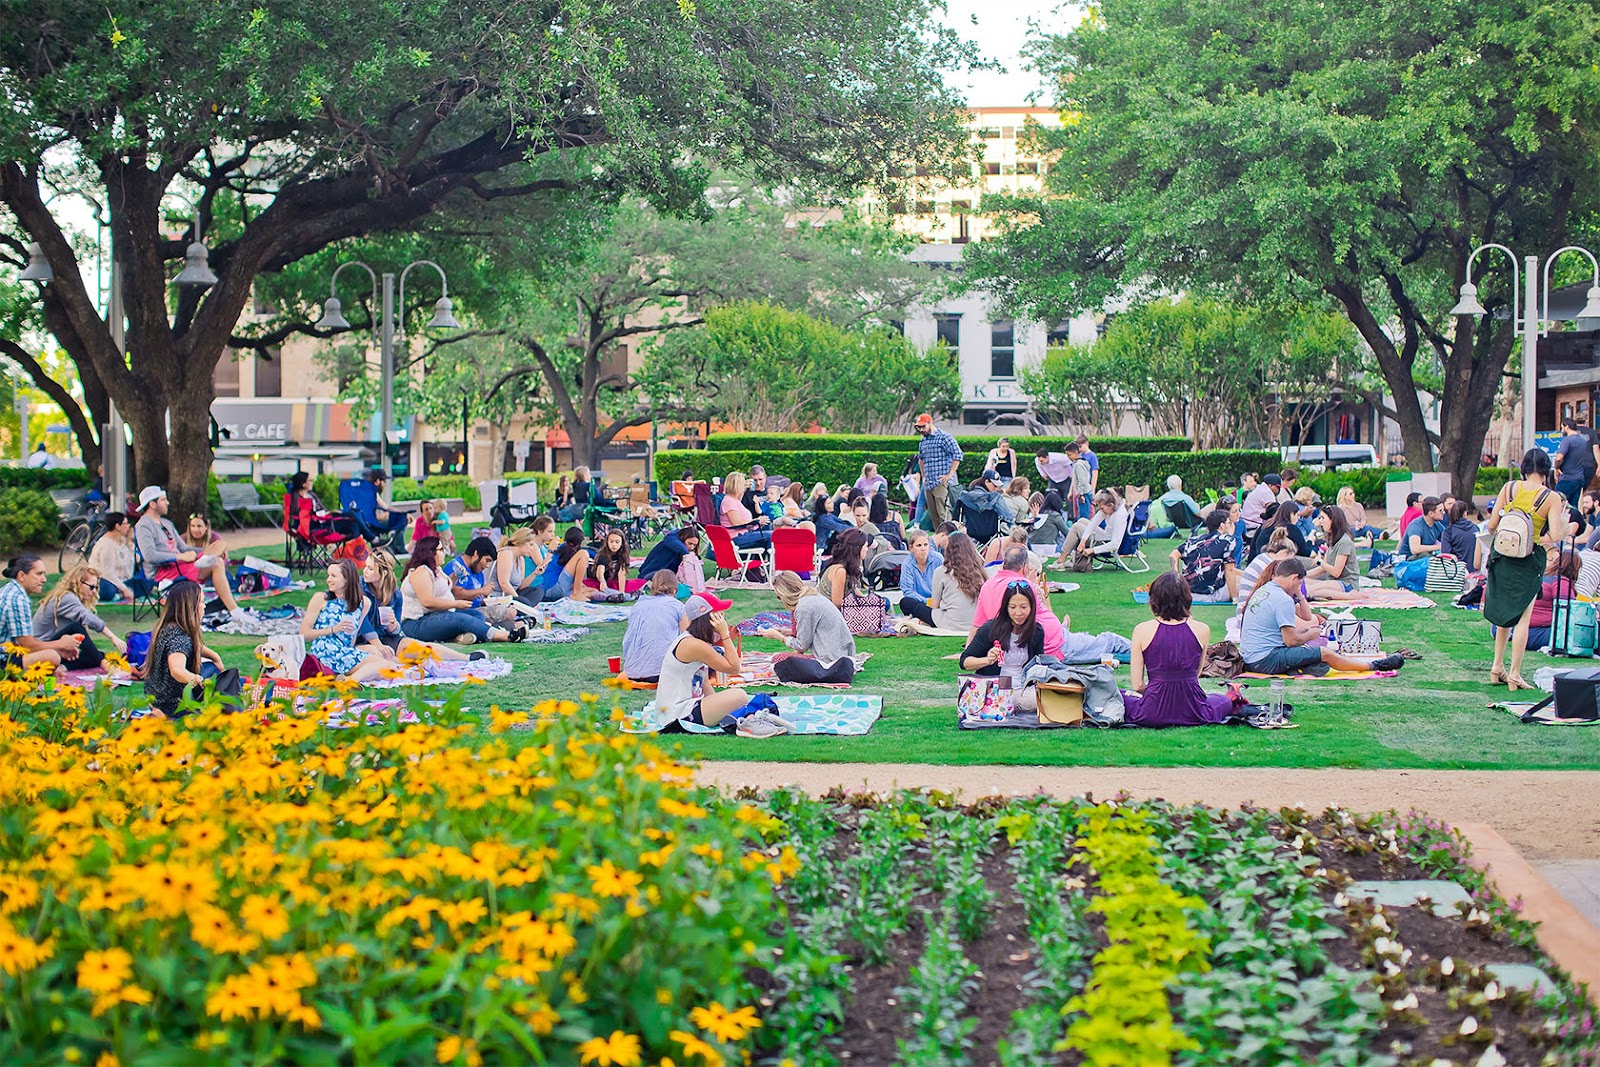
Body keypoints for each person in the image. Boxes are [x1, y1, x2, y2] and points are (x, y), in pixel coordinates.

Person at [1486, 449, 1570, 690]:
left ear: (1524, 468)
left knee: (1505, 614)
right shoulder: (1551, 497)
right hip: (1529, 560)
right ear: (1545, 469)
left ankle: (1497, 666)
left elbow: (1492, 526)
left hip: (1503, 557)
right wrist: (1560, 526)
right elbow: (1556, 535)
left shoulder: (1509, 488)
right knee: (1523, 618)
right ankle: (1514, 673)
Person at [1239, 559, 1406, 675]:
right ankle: (1371, 666)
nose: (1299, 587)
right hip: (1266, 660)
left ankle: (1304, 665)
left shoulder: (1264, 590)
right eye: (1299, 584)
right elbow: (1291, 641)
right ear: (1294, 578)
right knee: (1324, 652)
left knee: (1310, 651)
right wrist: (1310, 635)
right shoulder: (1282, 599)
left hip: (1252, 657)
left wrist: (1299, 596)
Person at [1122, 572, 1238, 727]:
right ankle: (1234, 692)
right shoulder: (1202, 629)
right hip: (1192, 709)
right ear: (1187, 598)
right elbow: (1196, 673)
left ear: (1154, 600)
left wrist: (1155, 694)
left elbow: (1137, 686)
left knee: (1120, 695)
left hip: (1152, 711)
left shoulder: (1142, 630)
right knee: (1223, 700)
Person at [133, 486, 251, 622]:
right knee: (217, 562)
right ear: (152, 504)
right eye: (163, 500)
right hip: (164, 573)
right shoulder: (143, 526)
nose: (167, 503)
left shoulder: (166, 523)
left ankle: (205, 560)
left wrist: (211, 551)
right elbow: (149, 556)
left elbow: (183, 548)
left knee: (220, 544)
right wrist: (179, 557)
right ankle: (235, 612)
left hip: (180, 566)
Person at [655, 594, 756, 730]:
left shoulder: (694, 640)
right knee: (740, 696)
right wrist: (725, 634)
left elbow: (704, 683)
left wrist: (718, 707)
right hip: (676, 715)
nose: (723, 618)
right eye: (719, 614)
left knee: (735, 700)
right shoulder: (693, 644)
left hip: (677, 711)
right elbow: (734, 667)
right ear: (710, 618)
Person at [357, 549, 473, 664]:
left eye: (370, 568)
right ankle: (408, 665)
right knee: (378, 654)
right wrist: (378, 645)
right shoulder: (359, 589)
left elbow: (396, 629)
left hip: (386, 638)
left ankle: (466, 658)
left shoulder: (395, 593)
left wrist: (392, 624)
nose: (364, 571)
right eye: (366, 566)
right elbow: (362, 622)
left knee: (420, 647)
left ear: (384, 573)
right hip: (362, 640)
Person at [401, 536, 514, 644]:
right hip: (417, 623)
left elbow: (441, 590)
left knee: (476, 615)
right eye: (441, 549)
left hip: (435, 615)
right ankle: (506, 636)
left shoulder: (436, 570)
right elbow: (427, 602)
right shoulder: (421, 572)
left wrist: (455, 577)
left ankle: (458, 637)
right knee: (461, 619)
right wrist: (455, 604)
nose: (444, 552)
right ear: (430, 552)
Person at [141, 580, 225, 718]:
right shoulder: (180, 637)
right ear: (191, 607)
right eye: (202, 602)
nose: (204, 606)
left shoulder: (169, 627)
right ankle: (163, 715)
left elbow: (194, 646)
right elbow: (176, 670)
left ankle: (159, 713)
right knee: (217, 684)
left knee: (210, 667)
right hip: (173, 702)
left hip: (155, 695)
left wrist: (215, 657)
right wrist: (194, 678)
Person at [961, 581, 1047, 713]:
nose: (1018, 613)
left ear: (1032, 607)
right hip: (995, 689)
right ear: (1006, 607)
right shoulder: (990, 629)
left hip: (1023, 688)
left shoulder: (1036, 632)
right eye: (1012, 607)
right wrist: (987, 660)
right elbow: (964, 662)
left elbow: (1038, 664)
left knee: (1054, 697)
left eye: (1023, 607)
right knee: (1039, 702)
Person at [970, 544, 1067, 658]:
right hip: (1052, 645)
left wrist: (968, 652)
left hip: (1036, 643)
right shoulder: (1023, 586)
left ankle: (1064, 628)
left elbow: (977, 624)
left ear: (1003, 565)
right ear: (1025, 567)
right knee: (1085, 643)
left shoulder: (987, 586)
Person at [763, 571, 859, 683]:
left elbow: (802, 645)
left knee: (778, 659)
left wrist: (779, 637)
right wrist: (782, 631)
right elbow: (810, 630)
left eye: (779, 597)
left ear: (785, 594)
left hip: (830, 660)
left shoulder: (804, 607)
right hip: (842, 654)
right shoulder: (812, 597)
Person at [301, 560, 389, 682]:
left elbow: (351, 640)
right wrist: (333, 629)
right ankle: (349, 681)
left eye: (333, 576)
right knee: (387, 667)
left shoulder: (363, 603)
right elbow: (304, 634)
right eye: (328, 575)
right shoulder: (321, 599)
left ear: (347, 578)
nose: (328, 580)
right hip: (325, 651)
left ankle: (345, 678)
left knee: (379, 657)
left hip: (343, 650)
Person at [32, 563, 127, 671]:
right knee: (76, 628)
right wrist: (112, 637)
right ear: (78, 583)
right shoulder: (67, 597)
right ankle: (106, 665)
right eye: (91, 587)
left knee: (94, 654)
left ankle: (64, 667)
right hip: (41, 648)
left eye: (96, 588)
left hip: (53, 647)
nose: (94, 592)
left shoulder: (70, 598)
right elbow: (88, 618)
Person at [1, 556, 77, 670]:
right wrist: (61, 644)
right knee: (52, 657)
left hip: (8, 653)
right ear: (21, 576)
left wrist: (57, 647)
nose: (44, 579)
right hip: (3, 659)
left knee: (51, 654)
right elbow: (27, 645)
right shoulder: (17, 600)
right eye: (39, 574)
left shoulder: (11, 590)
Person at [620, 571, 688, 682]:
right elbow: (688, 638)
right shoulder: (677, 606)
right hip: (662, 672)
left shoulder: (638, 605)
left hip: (631, 671)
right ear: (675, 589)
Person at [821, 529, 889, 635]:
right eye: (865, 546)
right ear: (857, 548)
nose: (867, 549)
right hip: (830, 614)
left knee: (883, 602)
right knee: (879, 606)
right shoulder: (840, 570)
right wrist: (862, 606)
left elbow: (854, 589)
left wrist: (866, 601)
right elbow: (837, 603)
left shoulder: (847, 568)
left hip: (842, 610)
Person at [920, 530, 986, 632]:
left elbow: (934, 604)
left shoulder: (941, 571)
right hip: (976, 622)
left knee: (907, 603)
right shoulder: (980, 571)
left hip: (950, 623)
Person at [1170, 507, 1238, 603]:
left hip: (1187, 593)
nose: (1233, 526)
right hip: (1210, 595)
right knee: (1244, 581)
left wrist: (1176, 575)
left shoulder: (1194, 540)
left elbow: (1173, 554)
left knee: (1241, 574)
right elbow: (1230, 570)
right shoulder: (1228, 541)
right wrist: (1235, 598)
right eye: (1230, 523)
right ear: (1222, 526)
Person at [1522, 549, 1580, 652]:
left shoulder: (1542, 577)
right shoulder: (1561, 583)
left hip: (1522, 628)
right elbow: (1569, 611)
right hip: (1538, 632)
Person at [915, 413, 963, 528]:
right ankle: (939, 537)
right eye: (919, 427)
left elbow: (958, 455)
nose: (921, 430)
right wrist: (924, 476)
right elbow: (921, 459)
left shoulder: (944, 437)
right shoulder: (923, 440)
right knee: (934, 516)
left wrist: (949, 474)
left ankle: (950, 537)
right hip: (928, 483)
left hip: (941, 482)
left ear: (930, 423)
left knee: (944, 515)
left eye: (923, 426)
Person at [1057, 489, 1129, 564]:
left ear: (1110, 505)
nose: (1101, 510)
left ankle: (1061, 560)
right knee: (1082, 520)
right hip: (1106, 536)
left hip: (1107, 543)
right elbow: (1093, 523)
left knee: (1076, 527)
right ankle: (1074, 560)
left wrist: (1092, 550)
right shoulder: (1110, 508)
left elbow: (1115, 544)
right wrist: (1083, 541)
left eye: (1102, 508)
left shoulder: (1120, 515)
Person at [1304, 506, 1361, 598]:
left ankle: (1350, 596)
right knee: (1302, 583)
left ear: (1333, 520)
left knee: (1311, 590)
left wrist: (1320, 562)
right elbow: (1323, 568)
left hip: (1347, 584)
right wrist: (1303, 575)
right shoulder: (1333, 540)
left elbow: (1336, 572)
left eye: (1323, 518)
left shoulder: (1344, 542)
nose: (1320, 521)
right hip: (1334, 582)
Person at [88, 512, 143, 601]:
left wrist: (129, 542)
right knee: (108, 590)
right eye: (126, 524)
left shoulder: (123, 540)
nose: (129, 526)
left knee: (146, 584)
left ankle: (120, 594)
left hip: (123, 580)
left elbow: (137, 559)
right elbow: (107, 573)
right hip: (106, 580)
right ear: (117, 526)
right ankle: (120, 594)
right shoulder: (106, 544)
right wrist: (124, 588)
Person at [488, 525, 546, 605]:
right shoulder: (506, 554)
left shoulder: (521, 559)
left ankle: (525, 606)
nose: (532, 549)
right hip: (499, 596)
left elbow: (520, 586)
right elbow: (504, 584)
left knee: (538, 591)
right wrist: (519, 601)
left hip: (513, 595)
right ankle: (525, 607)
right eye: (531, 544)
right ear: (521, 543)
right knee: (525, 602)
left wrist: (535, 573)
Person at [896, 529, 945, 622]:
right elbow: (908, 591)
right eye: (919, 545)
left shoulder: (938, 559)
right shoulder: (907, 564)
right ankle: (931, 618)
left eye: (926, 545)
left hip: (938, 602)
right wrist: (927, 601)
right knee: (905, 602)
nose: (923, 548)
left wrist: (935, 601)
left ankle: (926, 619)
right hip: (920, 603)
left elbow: (945, 583)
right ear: (911, 548)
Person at [1553, 415, 1598, 506]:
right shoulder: (1583, 441)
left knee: (1557, 503)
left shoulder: (1567, 440)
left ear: (1567, 427)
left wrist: (1556, 468)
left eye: (1562, 427)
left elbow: (1559, 458)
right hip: (1579, 478)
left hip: (1567, 478)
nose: (1561, 430)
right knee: (1573, 506)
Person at [718, 472, 771, 549]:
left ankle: (765, 556)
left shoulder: (734, 500)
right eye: (743, 483)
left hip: (743, 533)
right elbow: (736, 523)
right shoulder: (729, 501)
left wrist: (743, 490)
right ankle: (771, 556)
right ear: (738, 485)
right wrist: (757, 520)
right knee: (772, 535)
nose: (744, 485)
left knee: (770, 527)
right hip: (736, 537)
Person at [542, 527, 596, 602]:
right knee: (584, 554)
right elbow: (586, 552)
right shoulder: (565, 549)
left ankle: (571, 596)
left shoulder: (567, 548)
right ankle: (576, 594)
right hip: (553, 587)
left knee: (594, 591)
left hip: (551, 591)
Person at [445, 536, 499, 609]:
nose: (487, 565)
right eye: (487, 560)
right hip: (462, 610)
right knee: (509, 612)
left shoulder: (478, 570)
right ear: (476, 554)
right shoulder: (456, 566)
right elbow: (456, 594)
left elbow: (478, 598)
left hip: (478, 608)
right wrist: (482, 590)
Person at [364, 470, 410, 548]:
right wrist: (403, 514)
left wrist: (402, 513)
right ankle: (399, 549)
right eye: (384, 481)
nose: (384, 484)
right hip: (370, 526)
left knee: (398, 517)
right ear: (378, 481)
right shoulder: (371, 492)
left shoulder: (366, 491)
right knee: (402, 520)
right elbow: (386, 507)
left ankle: (392, 541)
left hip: (367, 525)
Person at [1440, 499, 1485, 571]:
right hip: (1475, 570)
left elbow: (1446, 555)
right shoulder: (1475, 528)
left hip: (1458, 571)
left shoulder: (1448, 532)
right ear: (1465, 513)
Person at [591, 529, 634, 595]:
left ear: (622, 543)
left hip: (614, 581)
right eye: (611, 542)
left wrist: (621, 592)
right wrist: (602, 582)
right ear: (607, 542)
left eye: (617, 542)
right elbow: (600, 571)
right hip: (601, 581)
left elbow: (622, 573)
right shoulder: (603, 554)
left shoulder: (623, 554)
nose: (614, 544)